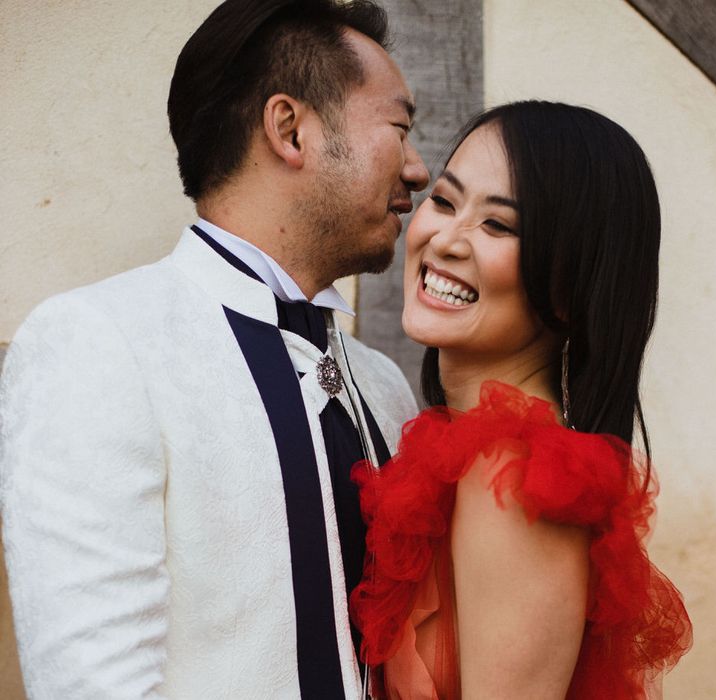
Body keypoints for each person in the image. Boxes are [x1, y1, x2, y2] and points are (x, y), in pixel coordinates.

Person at [0, 0, 429, 697]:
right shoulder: (100, 343)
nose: (417, 169)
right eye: (401, 129)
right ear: (291, 129)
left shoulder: (381, 384)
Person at [350, 101, 693, 699]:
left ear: (568, 287)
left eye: (499, 226)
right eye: (446, 201)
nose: (447, 241)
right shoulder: (463, 448)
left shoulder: (513, 476)